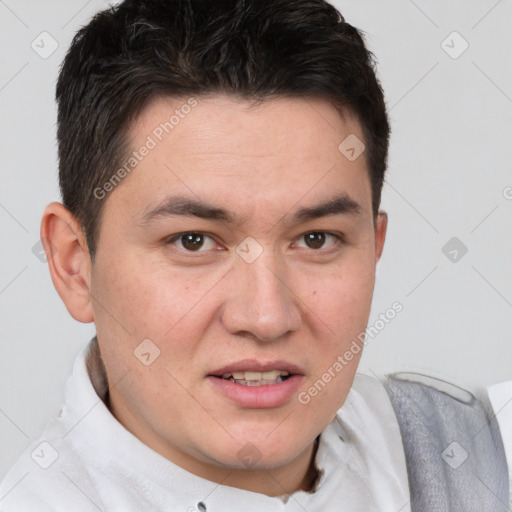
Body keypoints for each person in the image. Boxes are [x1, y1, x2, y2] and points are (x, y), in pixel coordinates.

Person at [0, 0, 508, 510]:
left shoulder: (483, 456)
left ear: (374, 248)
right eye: (193, 241)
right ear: (74, 265)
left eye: (316, 239)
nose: (267, 317)